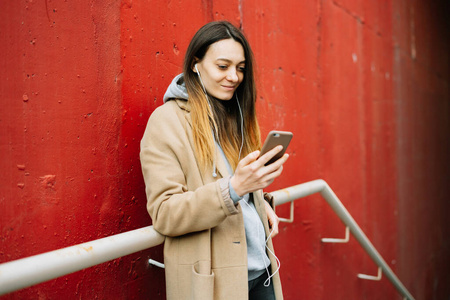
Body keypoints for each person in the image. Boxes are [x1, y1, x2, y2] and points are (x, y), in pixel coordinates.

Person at [140, 21, 289, 300]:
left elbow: (235, 188)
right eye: (223, 66)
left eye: (241, 68)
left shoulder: (233, 116)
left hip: (262, 273)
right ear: (196, 64)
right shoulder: (166, 122)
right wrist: (235, 188)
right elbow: (165, 213)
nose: (234, 76)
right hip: (217, 285)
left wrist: (260, 204)